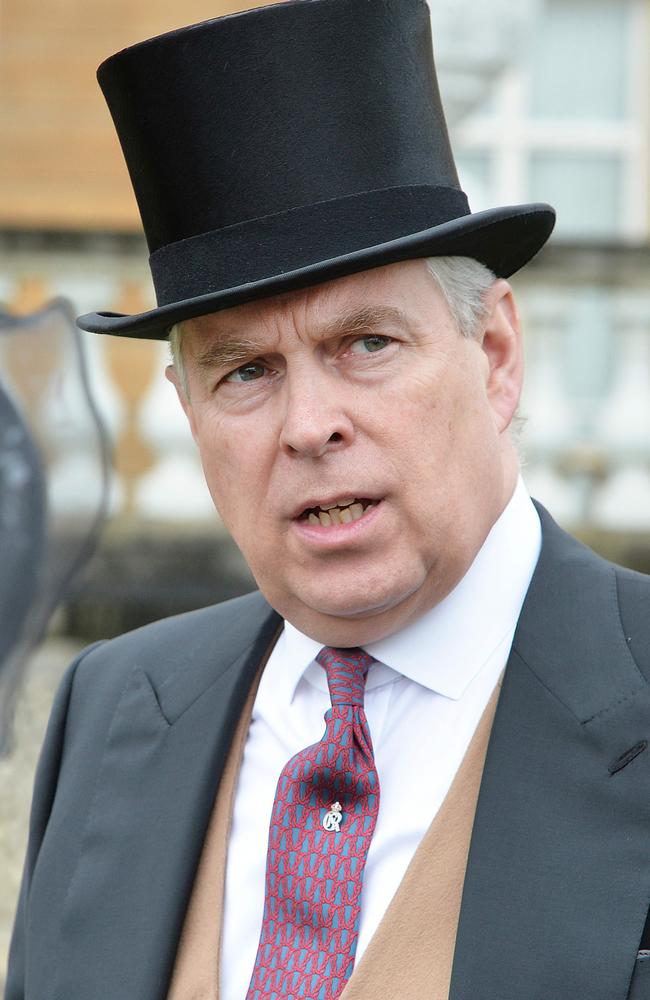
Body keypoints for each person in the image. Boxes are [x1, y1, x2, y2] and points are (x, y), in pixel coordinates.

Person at [6, 1, 650, 999]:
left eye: (366, 344)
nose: (309, 423)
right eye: (245, 371)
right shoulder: (114, 704)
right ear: (186, 411)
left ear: (493, 356)